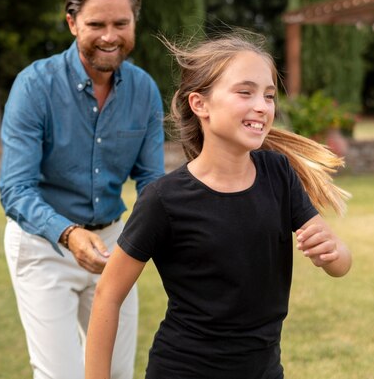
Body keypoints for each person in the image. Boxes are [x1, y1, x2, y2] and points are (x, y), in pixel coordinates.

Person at [84, 31, 352, 379]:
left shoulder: (278, 174)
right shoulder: (164, 200)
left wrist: (334, 252)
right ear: (200, 104)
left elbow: (339, 265)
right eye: (245, 92)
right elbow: (108, 294)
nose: (262, 105)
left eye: (269, 95)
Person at [0, 0, 164, 379]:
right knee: (63, 375)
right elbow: (15, 189)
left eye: (121, 23)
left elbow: (151, 183)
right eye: (96, 24)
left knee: (116, 372)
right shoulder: (34, 86)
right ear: (72, 23)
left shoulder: (144, 90)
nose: (110, 35)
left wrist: (157, 235)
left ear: (134, 23)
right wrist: (68, 234)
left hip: (114, 244)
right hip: (43, 246)